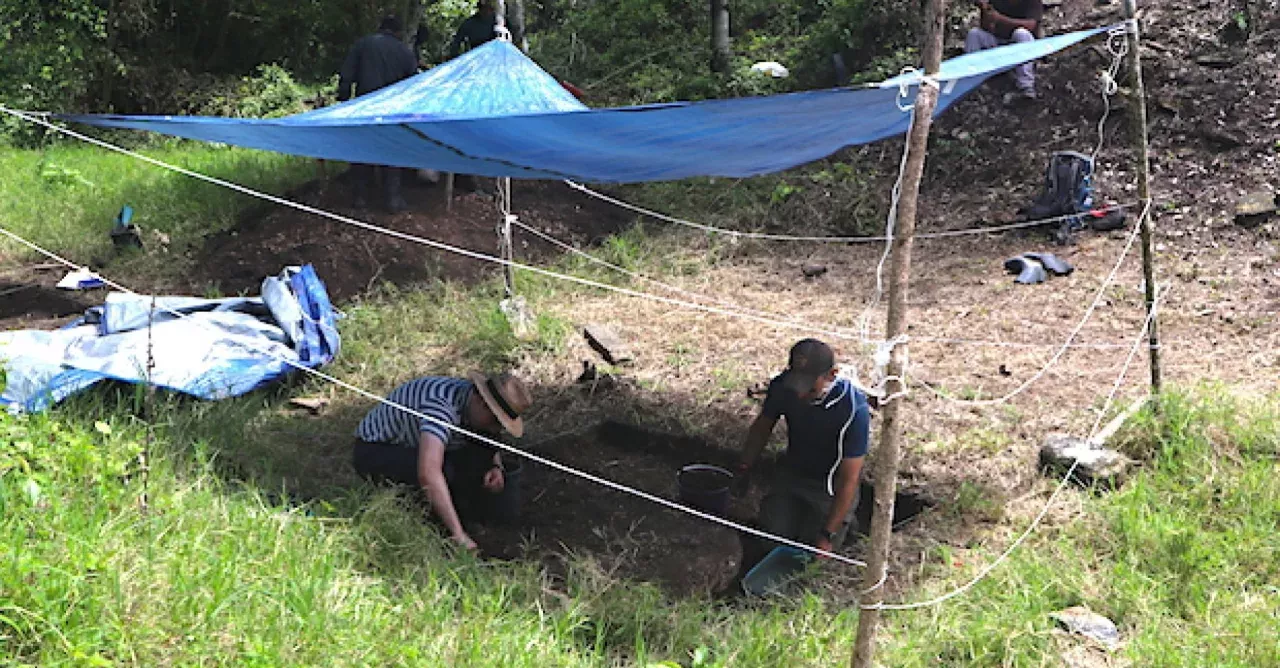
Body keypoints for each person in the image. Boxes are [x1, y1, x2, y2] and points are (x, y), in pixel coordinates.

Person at [733, 339, 872, 576]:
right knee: (771, 537)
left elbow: (849, 479)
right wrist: (744, 467)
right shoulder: (782, 388)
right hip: (792, 477)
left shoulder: (853, 410)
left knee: (810, 555)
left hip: (829, 488)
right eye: (796, 383)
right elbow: (761, 428)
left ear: (831, 375)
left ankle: (848, 527)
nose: (799, 394)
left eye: (809, 387)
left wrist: (828, 534)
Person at [352, 372, 532, 551]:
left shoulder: (470, 402)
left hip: (421, 444)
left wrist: (495, 466)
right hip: (376, 451)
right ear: (482, 402)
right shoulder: (441, 407)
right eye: (495, 420)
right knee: (444, 472)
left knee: (478, 450)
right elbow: (428, 473)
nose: (495, 428)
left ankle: (462, 511)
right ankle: (433, 523)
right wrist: (458, 533)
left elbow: (486, 439)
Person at [337, 15, 418, 212]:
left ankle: (360, 199)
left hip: (364, 107)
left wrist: (343, 100)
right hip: (392, 110)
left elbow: (346, 76)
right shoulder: (405, 52)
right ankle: (392, 199)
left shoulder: (362, 45)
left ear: (380, 28)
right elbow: (414, 86)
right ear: (398, 33)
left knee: (362, 151)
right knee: (390, 151)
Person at [965, 0, 1045, 101]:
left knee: (1022, 34)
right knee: (974, 34)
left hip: (1022, 46)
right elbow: (986, 26)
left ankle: (1026, 85)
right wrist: (984, 9)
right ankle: (971, 81)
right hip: (998, 43)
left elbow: (1031, 25)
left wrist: (1000, 19)